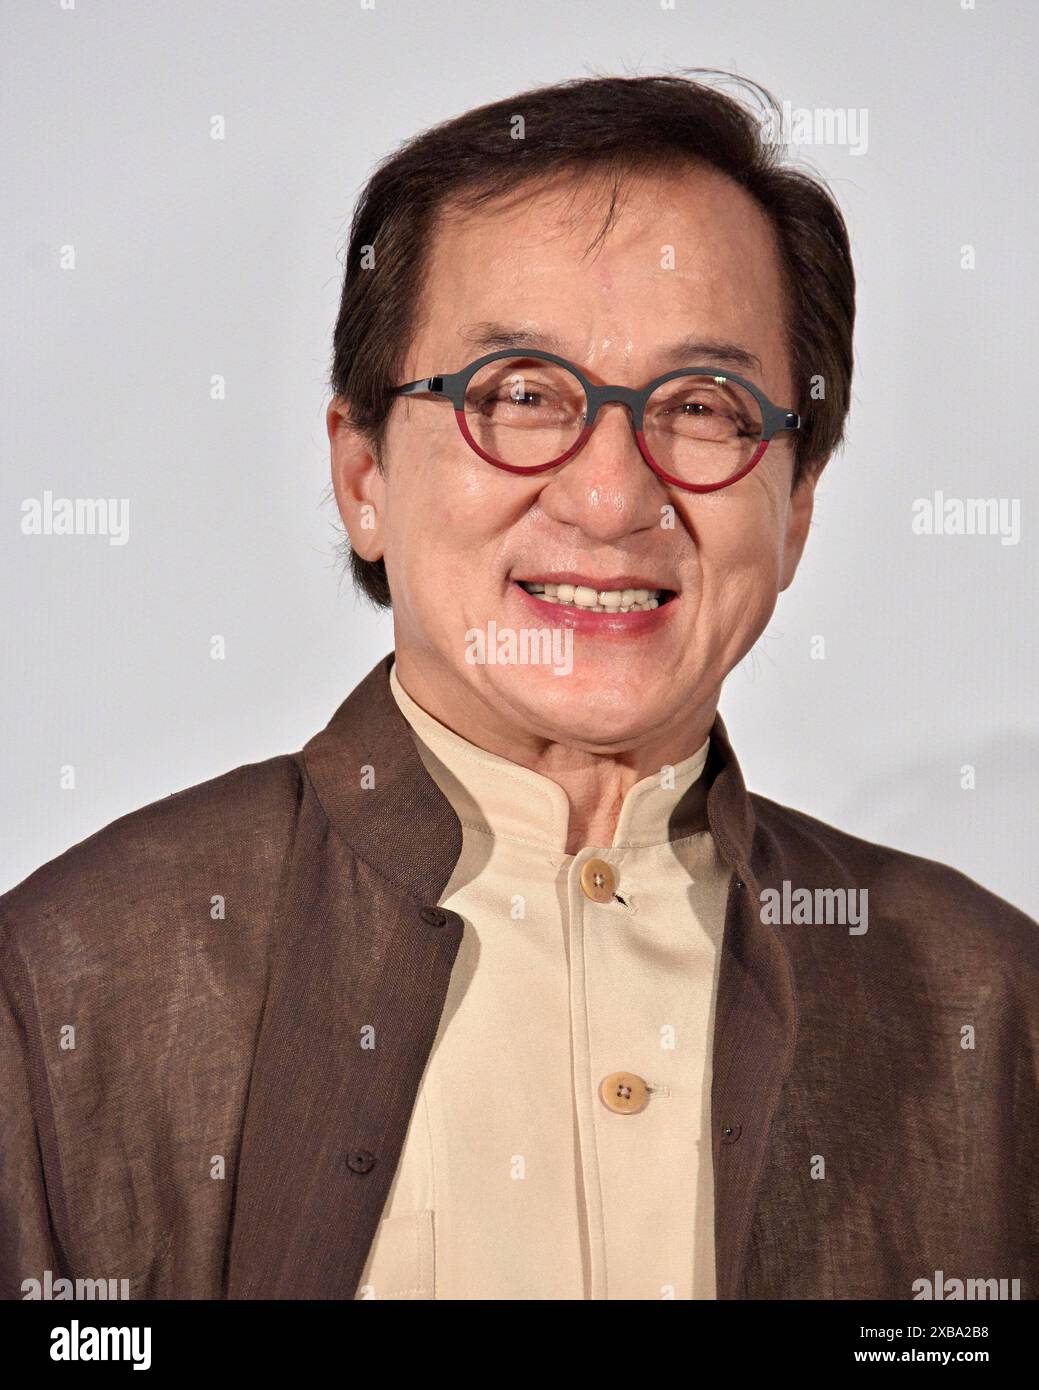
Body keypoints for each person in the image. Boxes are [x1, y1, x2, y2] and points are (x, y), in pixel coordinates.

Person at [2, 73, 1035, 1302]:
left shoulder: (992, 1003)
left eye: (700, 408)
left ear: (795, 508)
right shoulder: (72, 980)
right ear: (361, 473)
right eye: (521, 396)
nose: (610, 497)